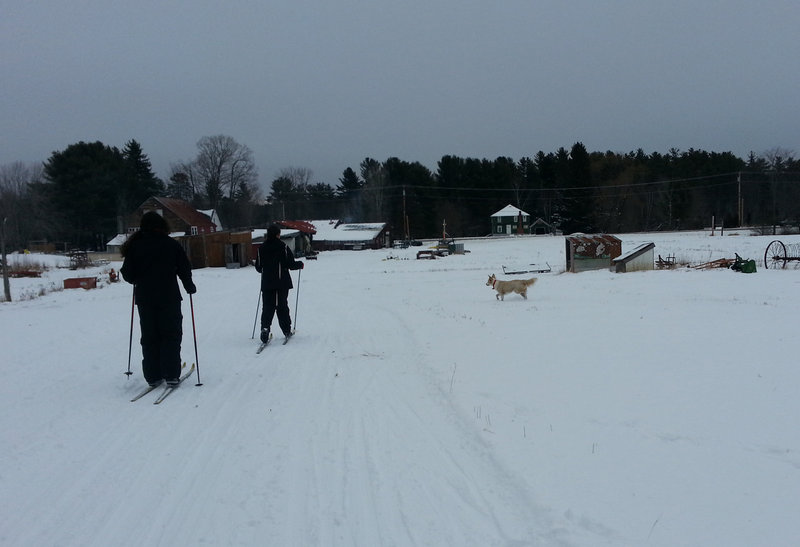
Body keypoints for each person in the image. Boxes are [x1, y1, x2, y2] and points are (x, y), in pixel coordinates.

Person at [120, 212, 196, 387]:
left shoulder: (135, 246)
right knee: (171, 334)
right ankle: (171, 373)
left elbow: (127, 273)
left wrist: (137, 279)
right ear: (162, 225)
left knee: (150, 336)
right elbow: (184, 267)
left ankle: (153, 376)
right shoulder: (171, 245)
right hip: (169, 297)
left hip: (145, 299)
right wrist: (189, 285)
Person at [255, 224, 304, 342]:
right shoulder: (283, 247)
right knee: (281, 306)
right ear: (278, 234)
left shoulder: (261, 248)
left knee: (267, 307)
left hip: (267, 283)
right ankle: (286, 330)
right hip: (281, 283)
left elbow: (258, 267)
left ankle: (265, 329)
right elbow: (290, 264)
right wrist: (300, 264)